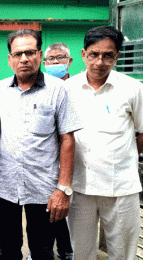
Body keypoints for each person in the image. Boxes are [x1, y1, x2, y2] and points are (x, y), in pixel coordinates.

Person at [0, 29, 82, 260]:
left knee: (43, 252)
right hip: (5, 187)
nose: (24, 58)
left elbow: (67, 140)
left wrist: (63, 189)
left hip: (44, 189)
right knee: (9, 250)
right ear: (10, 59)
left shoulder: (58, 90)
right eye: (18, 54)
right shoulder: (1, 89)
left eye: (29, 52)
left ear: (39, 54)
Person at [66, 26, 143, 260]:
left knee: (122, 254)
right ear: (83, 54)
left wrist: (122, 156)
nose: (100, 62)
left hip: (121, 188)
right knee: (81, 253)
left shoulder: (133, 89)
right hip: (80, 188)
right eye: (94, 54)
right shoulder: (67, 90)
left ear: (117, 55)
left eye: (108, 55)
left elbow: (142, 132)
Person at [41, 42, 74, 260]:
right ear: (44, 63)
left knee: (69, 211)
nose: (55, 62)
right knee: (50, 210)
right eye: (50, 59)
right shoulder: (41, 88)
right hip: (48, 161)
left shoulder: (78, 88)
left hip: (73, 158)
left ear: (69, 61)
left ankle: (67, 250)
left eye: (60, 58)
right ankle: (49, 250)